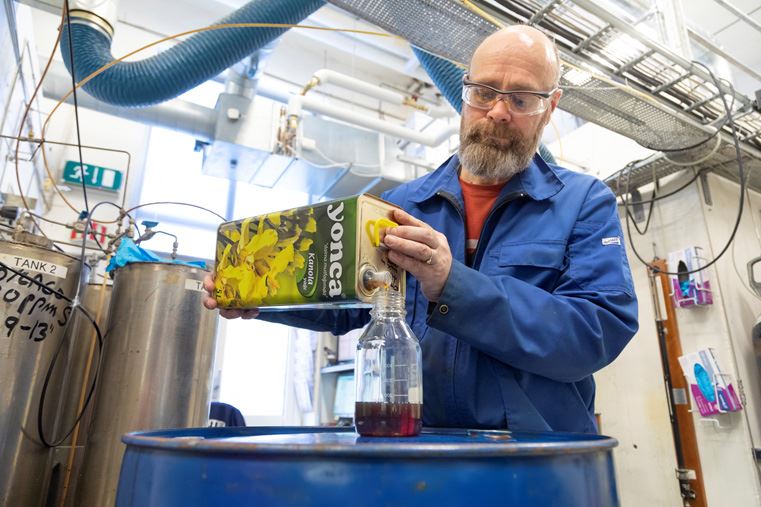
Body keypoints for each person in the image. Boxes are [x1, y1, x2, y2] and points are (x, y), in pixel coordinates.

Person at [203, 25, 638, 433]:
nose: (499, 112)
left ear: (550, 108)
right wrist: (263, 295)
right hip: (418, 445)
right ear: (465, 93)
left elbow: (595, 332)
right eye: (484, 93)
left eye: (522, 99)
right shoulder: (402, 205)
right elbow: (353, 299)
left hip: (536, 458)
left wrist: (453, 284)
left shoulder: (584, 202)